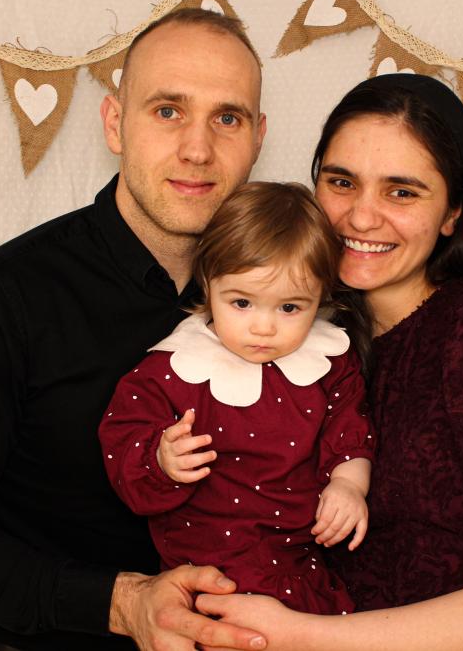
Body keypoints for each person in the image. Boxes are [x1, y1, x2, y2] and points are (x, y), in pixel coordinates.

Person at [0, 9, 271, 651]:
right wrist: (121, 604)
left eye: (228, 118)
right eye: (168, 110)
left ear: (258, 137)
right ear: (115, 123)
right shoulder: (3, 298)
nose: (198, 149)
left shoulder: (290, 297)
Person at [196, 73, 463, 651]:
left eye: (402, 192)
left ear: (453, 211)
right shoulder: (291, 338)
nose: (361, 219)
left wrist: (300, 636)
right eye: (342, 183)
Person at [99, 182, 374, 616]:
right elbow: (123, 449)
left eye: (290, 308)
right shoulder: (170, 371)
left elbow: (351, 432)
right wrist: (162, 459)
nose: (263, 327)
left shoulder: (329, 362)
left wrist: (348, 484)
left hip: (299, 567)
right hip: (206, 574)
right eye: (242, 302)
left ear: (320, 295)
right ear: (208, 284)